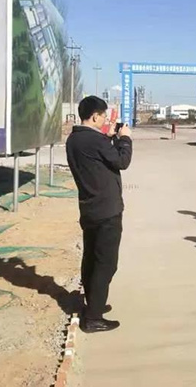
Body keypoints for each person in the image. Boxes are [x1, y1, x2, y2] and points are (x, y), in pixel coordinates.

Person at [66, 96, 133, 333]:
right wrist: (125, 139)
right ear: (95, 116)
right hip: (107, 210)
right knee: (106, 263)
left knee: (91, 259)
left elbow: (100, 158)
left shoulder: (75, 139)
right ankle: (93, 318)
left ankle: (93, 303)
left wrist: (110, 138)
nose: (105, 120)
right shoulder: (95, 140)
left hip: (90, 208)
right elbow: (122, 161)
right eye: (103, 116)